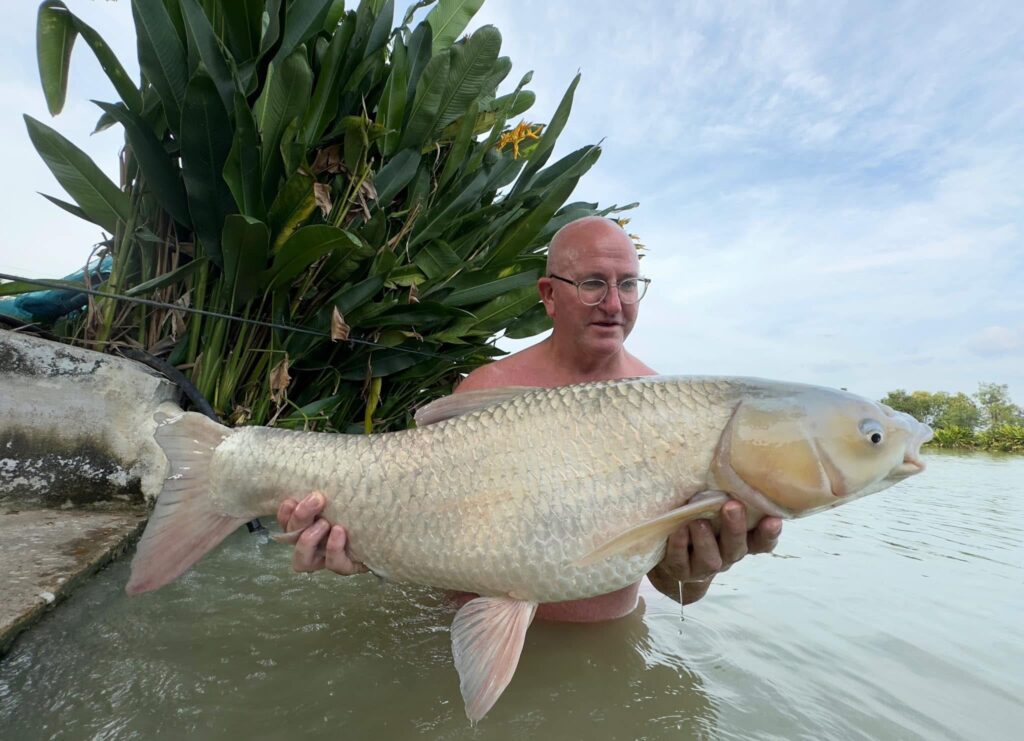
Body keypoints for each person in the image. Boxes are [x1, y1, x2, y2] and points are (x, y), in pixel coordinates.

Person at [277, 216, 782, 621]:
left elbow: (679, 593)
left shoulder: (665, 409)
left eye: (628, 284)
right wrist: (354, 554)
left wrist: (700, 570)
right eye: (591, 284)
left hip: (596, 651)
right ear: (547, 295)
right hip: (464, 629)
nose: (613, 304)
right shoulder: (487, 392)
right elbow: (414, 523)